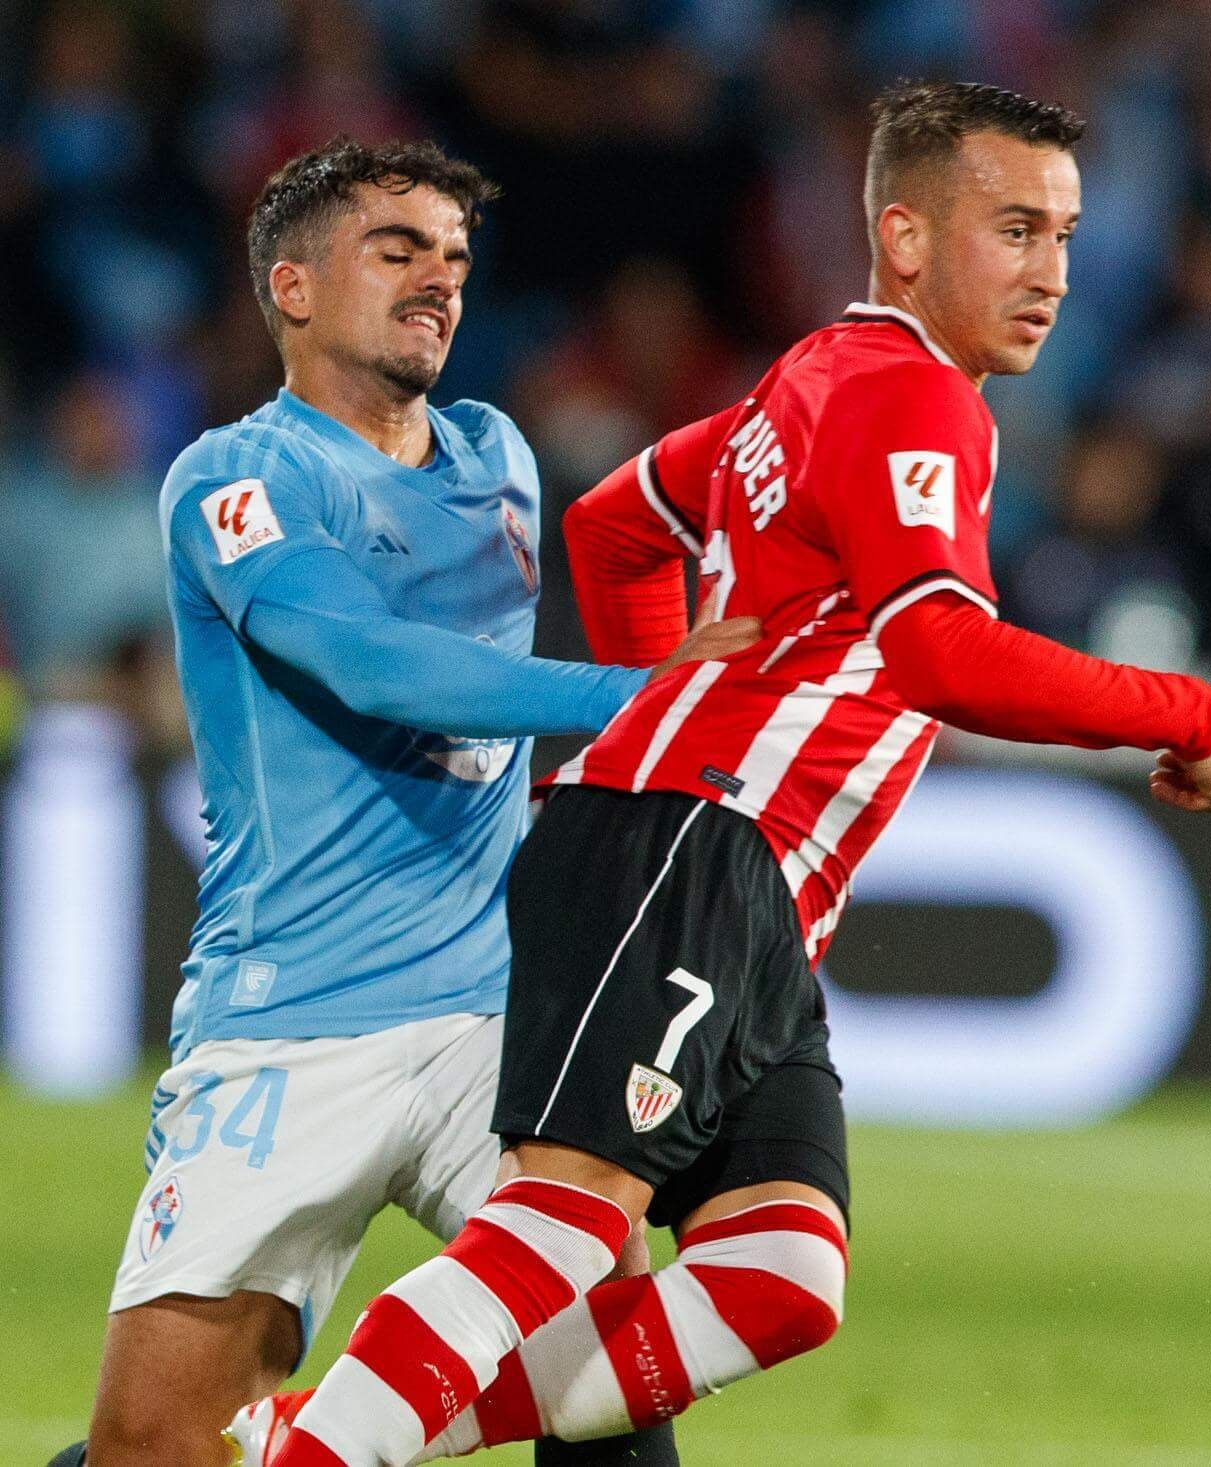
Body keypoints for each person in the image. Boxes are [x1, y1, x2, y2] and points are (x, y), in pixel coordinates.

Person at [265, 81, 1211, 1466]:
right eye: (1017, 229)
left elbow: (618, 527)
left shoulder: (817, 379)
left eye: (1067, 236)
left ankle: (289, 1439)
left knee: (783, 1274)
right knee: (558, 1227)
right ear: (904, 238)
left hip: (744, 885)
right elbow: (940, 655)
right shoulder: (913, 394)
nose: (1055, 272)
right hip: (694, 847)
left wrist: (674, 702)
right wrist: (1187, 711)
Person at [67, 137, 753, 1467]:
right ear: (296, 287)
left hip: (494, 1022)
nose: (440, 278)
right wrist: (641, 691)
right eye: (397, 250)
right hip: (293, 1021)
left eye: (453, 255)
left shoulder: (495, 454)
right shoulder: (235, 480)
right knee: (160, 1440)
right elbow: (374, 663)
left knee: (604, 1373)